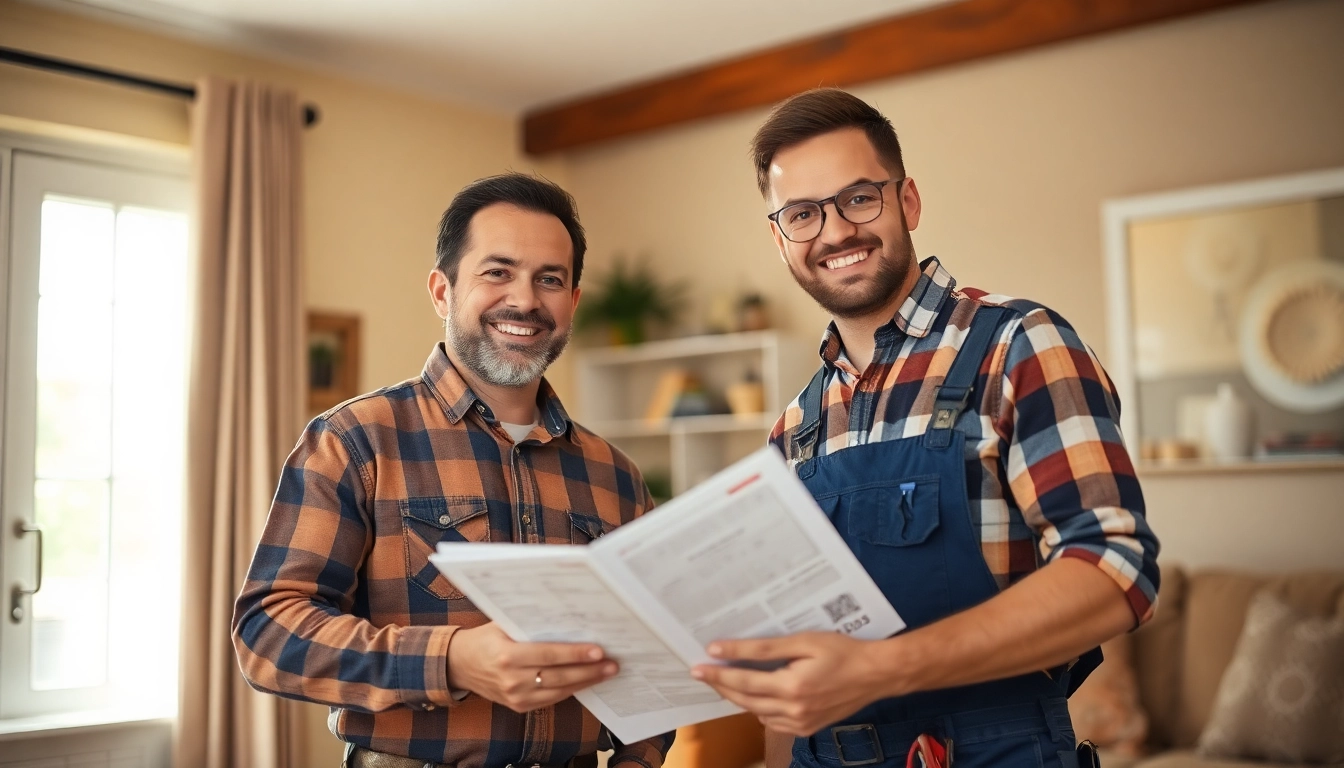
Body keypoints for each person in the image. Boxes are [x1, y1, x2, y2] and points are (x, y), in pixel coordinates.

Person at [690, 89, 1160, 768]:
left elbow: (1117, 571)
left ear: (907, 201)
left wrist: (884, 668)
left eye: (859, 198)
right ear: (779, 236)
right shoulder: (794, 428)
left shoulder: (1019, 344)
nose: (835, 231)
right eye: (803, 213)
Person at [233, 173, 674, 768]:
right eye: (498, 272)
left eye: (550, 279)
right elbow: (268, 636)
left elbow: (652, 664)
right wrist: (453, 660)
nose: (525, 300)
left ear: (572, 302)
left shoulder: (616, 476)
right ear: (442, 291)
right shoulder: (355, 441)